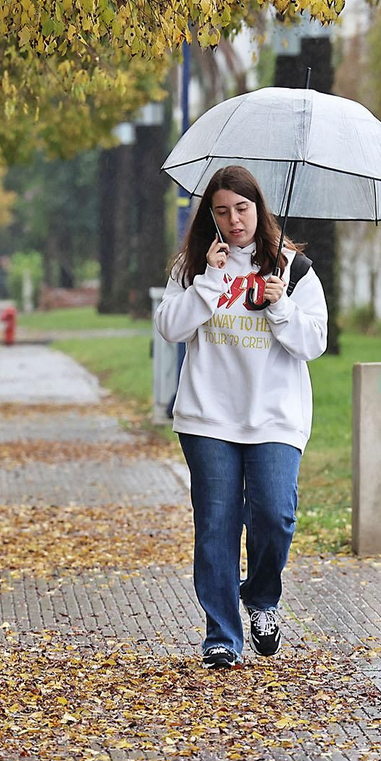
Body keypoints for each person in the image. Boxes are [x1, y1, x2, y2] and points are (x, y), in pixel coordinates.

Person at [155, 165, 328, 669]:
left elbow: (313, 343)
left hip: (274, 417)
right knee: (216, 526)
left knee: (276, 515)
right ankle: (222, 636)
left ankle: (261, 598)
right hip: (209, 418)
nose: (234, 221)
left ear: (259, 209)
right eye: (223, 211)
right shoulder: (194, 265)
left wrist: (281, 309)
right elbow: (170, 327)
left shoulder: (293, 269)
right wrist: (208, 282)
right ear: (211, 216)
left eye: (243, 209)